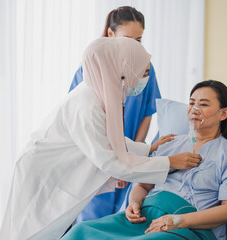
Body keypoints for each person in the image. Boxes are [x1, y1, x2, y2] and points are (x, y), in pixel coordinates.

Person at [0, 37, 202, 240]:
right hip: (45, 177)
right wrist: (169, 161)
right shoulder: (87, 105)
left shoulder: (101, 93)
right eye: (144, 72)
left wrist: (148, 149)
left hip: (59, 172)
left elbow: (110, 138)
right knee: (29, 233)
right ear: (125, 68)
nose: (145, 79)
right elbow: (110, 161)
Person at [63, 80, 227, 240]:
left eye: (203, 104)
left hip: (188, 228)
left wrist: (178, 221)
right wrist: (134, 203)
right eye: (191, 103)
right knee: (80, 232)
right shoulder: (169, 144)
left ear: (223, 113)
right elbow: (143, 185)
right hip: (144, 218)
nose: (194, 109)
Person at [69, 5, 162, 223]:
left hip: (132, 157)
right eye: (128, 39)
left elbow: (147, 112)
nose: (134, 46)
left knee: (123, 223)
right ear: (111, 35)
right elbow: (85, 127)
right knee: (92, 227)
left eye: (138, 40)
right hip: (98, 160)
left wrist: (131, 160)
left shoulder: (145, 67)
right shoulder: (88, 71)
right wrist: (114, 162)